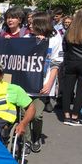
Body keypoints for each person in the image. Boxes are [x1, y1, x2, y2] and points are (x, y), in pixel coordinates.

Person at [26, 12, 63, 149]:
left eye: (32, 23)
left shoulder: (55, 38)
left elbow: (56, 63)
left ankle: (36, 137)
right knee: (24, 114)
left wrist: (49, 83)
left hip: (42, 84)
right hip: (25, 83)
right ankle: (27, 140)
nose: (29, 25)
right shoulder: (27, 37)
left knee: (37, 115)